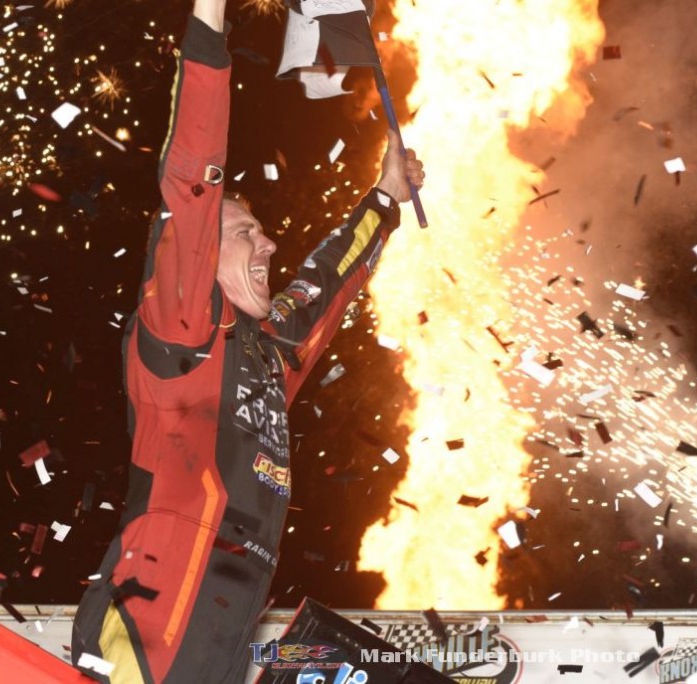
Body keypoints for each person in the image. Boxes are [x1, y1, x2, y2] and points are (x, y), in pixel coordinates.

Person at [71, 0, 424, 681]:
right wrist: (210, 13)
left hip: (228, 634)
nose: (268, 242)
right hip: (152, 625)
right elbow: (193, 173)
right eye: (245, 232)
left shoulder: (264, 354)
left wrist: (384, 199)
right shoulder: (181, 328)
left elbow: (326, 286)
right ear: (201, 256)